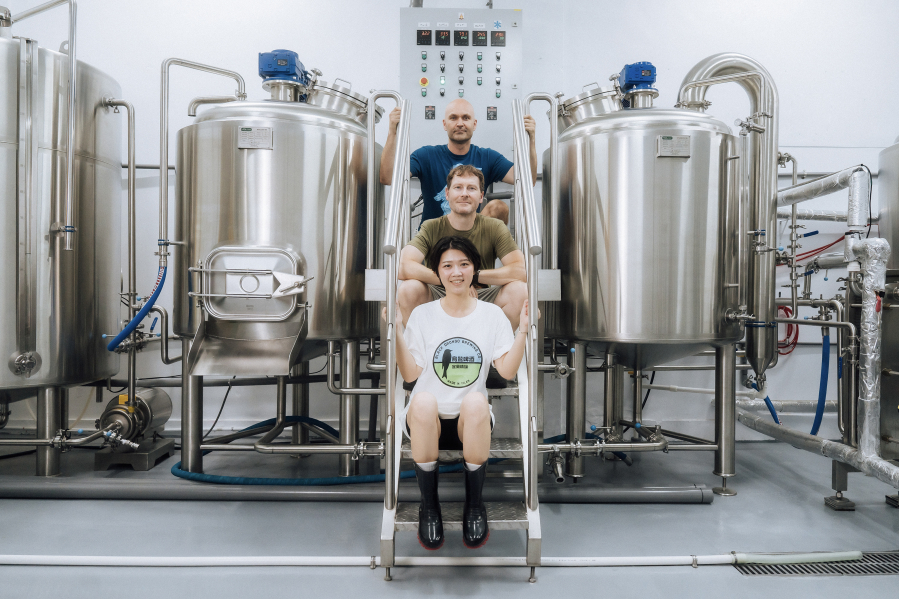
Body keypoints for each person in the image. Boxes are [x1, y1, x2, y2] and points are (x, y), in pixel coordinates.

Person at [392, 235, 532, 550]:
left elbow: (507, 372)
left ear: (474, 269)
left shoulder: (491, 315)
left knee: (475, 401)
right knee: (425, 400)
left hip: (471, 424)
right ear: (438, 273)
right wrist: (397, 330)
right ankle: (429, 507)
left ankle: (474, 505)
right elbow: (411, 374)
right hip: (426, 424)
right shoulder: (423, 314)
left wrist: (522, 329)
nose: (457, 272)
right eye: (448, 266)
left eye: (464, 264)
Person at [397, 164, 527, 332]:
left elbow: (521, 270)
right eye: (458, 187)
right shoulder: (431, 227)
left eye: (471, 188)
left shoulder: (494, 227)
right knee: (408, 289)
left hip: (479, 296)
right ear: (447, 194)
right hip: (440, 294)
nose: (464, 193)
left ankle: (493, 353)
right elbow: (403, 266)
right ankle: (425, 353)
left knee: (520, 291)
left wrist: (474, 277)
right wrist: (455, 280)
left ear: (481, 197)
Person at [379, 98, 537, 226]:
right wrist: (393, 132)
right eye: (453, 118)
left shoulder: (488, 157)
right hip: (434, 241)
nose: (460, 123)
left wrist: (531, 140)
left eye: (466, 118)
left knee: (498, 207)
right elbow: (388, 177)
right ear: (444, 124)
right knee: (409, 259)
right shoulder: (426, 155)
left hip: (471, 240)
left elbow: (527, 179)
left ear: (474, 124)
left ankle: (480, 260)